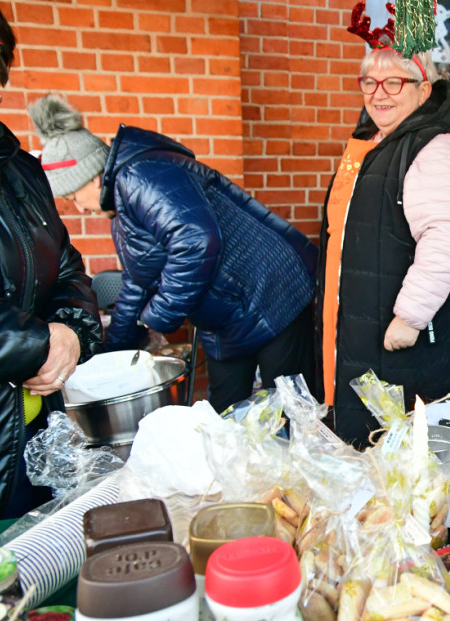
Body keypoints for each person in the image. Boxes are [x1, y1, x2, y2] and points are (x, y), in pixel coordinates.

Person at [29, 95, 319, 413]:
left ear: (94, 175)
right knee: (225, 411)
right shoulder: (122, 209)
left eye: (73, 196)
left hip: (272, 293)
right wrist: (113, 346)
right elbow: (137, 282)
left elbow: (196, 241)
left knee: (288, 408)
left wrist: (158, 316)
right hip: (226, 312)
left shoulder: (141, 175)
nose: (79, 208)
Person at [318, 45, 450, 447]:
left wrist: (411, 317)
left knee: (407, 457)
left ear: (423, 89)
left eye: (394, 82)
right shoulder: (377, 139)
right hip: (369, 324)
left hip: (409, 339)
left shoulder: (432, 146)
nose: (379, 94)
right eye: (370, 82)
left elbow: (445, 237)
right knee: (378, 452)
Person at [0, 10, 102, 518]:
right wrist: (43, 343)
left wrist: (72, 331)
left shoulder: (23, 172)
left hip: (35, 444)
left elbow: (66, 269)